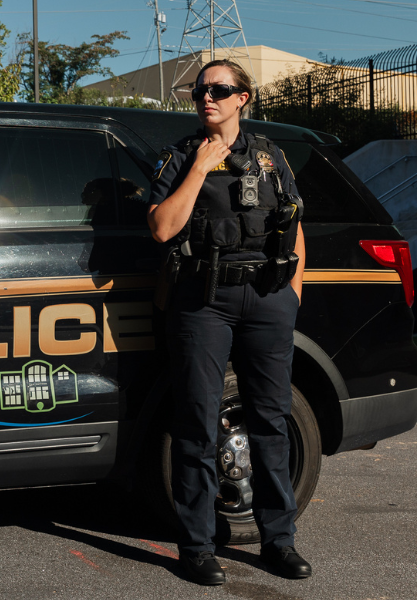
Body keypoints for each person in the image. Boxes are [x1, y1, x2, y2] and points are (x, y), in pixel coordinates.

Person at [146, 59, 311, 586]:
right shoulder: (179, 155)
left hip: (266, 299)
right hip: (204, 302)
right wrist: (199, 167)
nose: (206, 97)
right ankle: (197, 547)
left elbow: (294, 222)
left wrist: (291, 296)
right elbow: (162, 228)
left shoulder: (271, 156)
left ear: (243, 98)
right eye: (200, 90)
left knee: (270, 423)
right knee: (197, 424)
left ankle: (278, 540)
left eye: (218, 89)